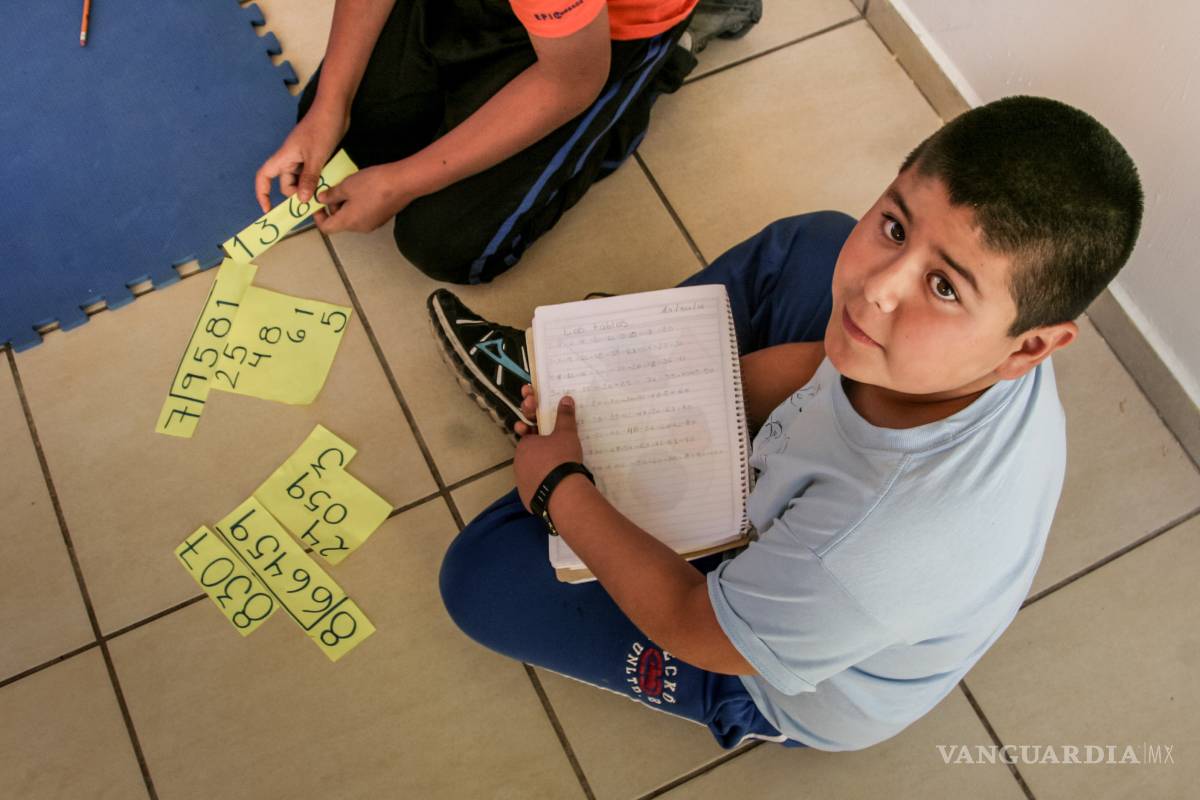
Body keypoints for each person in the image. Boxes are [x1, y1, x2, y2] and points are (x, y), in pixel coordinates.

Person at [428, 96, 1144, 750]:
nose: (878, 288)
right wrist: (630, 397)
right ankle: (581, 394)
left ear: (1033, 346)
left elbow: (692, 625)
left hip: (760, 659)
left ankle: (563, 444)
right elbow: (816, 370)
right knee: (815, 246)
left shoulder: (872, 549)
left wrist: (563, 488)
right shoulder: (958, 353)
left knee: (480, 575)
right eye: (895, 226)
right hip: (809, 516)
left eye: (943, 286)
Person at [253, 0, 708, 284]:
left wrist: (402, 183)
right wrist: (330, 106)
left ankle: (667, 56)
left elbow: (569, 84)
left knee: (449, 244)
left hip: (606, 35)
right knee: (349, 142)